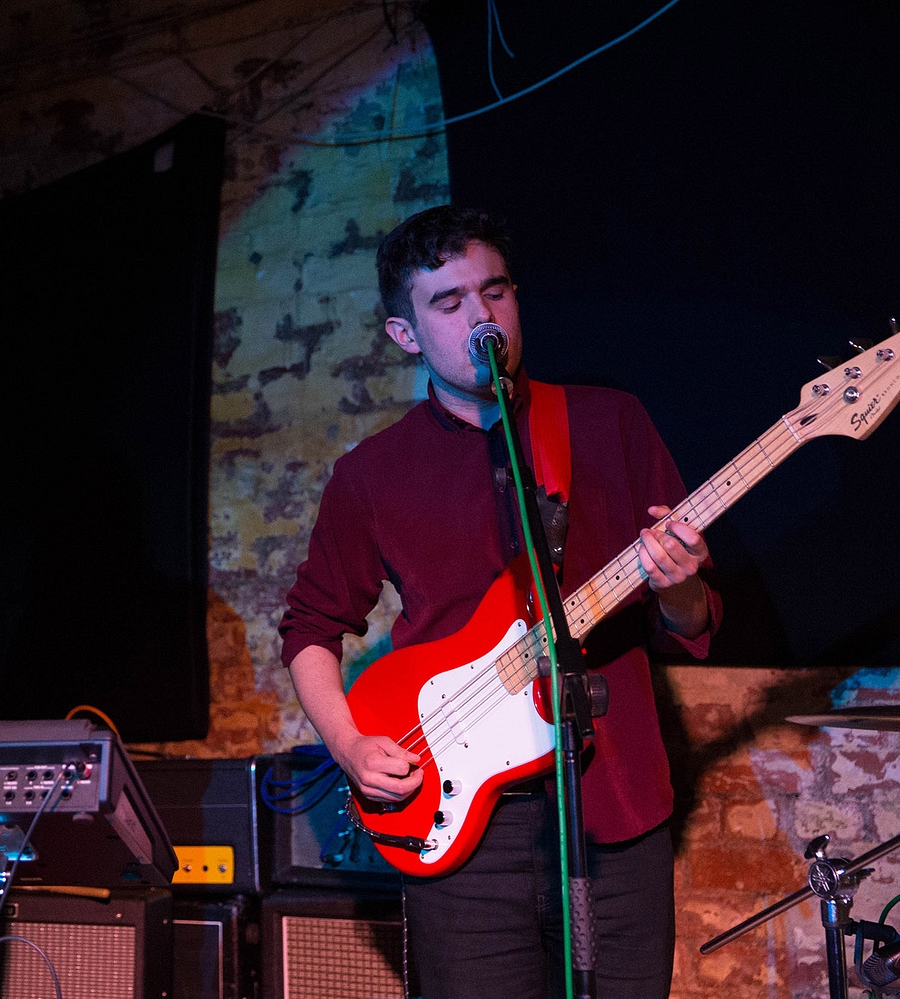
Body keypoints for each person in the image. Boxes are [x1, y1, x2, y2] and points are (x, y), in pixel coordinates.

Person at [279, 205, 720, 998]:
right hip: (461, 828)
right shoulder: (371, 474)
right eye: (448, 303)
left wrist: (680, 585)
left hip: (612, 805)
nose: (482, 316)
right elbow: (310, 626)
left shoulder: (607, 421)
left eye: (495, 291)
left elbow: (688, 623)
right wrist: (347, 744)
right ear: (405, 335)